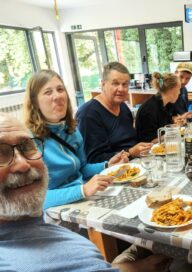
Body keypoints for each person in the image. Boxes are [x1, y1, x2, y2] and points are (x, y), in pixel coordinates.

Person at [0, 113, 192, 272]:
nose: (23, 164)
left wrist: (140, 267)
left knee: (143, 247)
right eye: (1, 153)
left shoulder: (34, 233)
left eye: (27, 146)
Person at [23, 70, 128, 210]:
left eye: (60, 90)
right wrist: (82, 190)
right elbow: (34, 198)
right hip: (53, 210)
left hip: (82, 197)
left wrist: (107, 165)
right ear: (35, 102)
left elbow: (82, 168)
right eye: (48, 92)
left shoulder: (71, 130)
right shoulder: (28, 141)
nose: (57, 96)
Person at [76, 62, 152, 163]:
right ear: (103, 84)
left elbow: (131, 140)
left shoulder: (123, 106)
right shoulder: (88, 114)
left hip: (136, 163)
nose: (121, 89)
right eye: (115, 83)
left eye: (125, 84)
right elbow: (94, 159)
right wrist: (130, 152)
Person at [135, 72, 181, 142]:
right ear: (172, 89)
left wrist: (176, 126)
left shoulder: (167, 104)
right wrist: (173, 132)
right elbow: (150, 141)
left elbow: (166, 128)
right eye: (179, 89)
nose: (179, 92)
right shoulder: (149, 110)